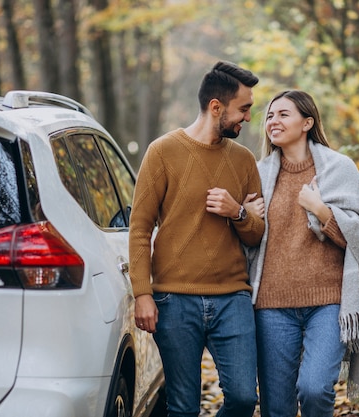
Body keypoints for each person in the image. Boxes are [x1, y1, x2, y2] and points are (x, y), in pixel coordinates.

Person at [128, 61, 266, 417]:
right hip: (174, 300)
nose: (249, 118)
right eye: (244, 109)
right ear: (216, 106)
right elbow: (140, 229)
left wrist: (237, 211)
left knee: (243, 398)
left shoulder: (245, 160)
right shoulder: (161, 152)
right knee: (183, 407)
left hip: (232, 298)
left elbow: (255, 235)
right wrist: (143, 294)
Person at [246, 90, 359, 417]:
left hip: (328, 303)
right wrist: (245, 214)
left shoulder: (340, 169)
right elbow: (246, 239)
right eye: (269, 116)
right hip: (272, 306)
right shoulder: (258, 174)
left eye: (283, 114)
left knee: (314, 389)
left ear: (307, 122)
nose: (273, 121)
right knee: (277, 406)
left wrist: (322, 211)